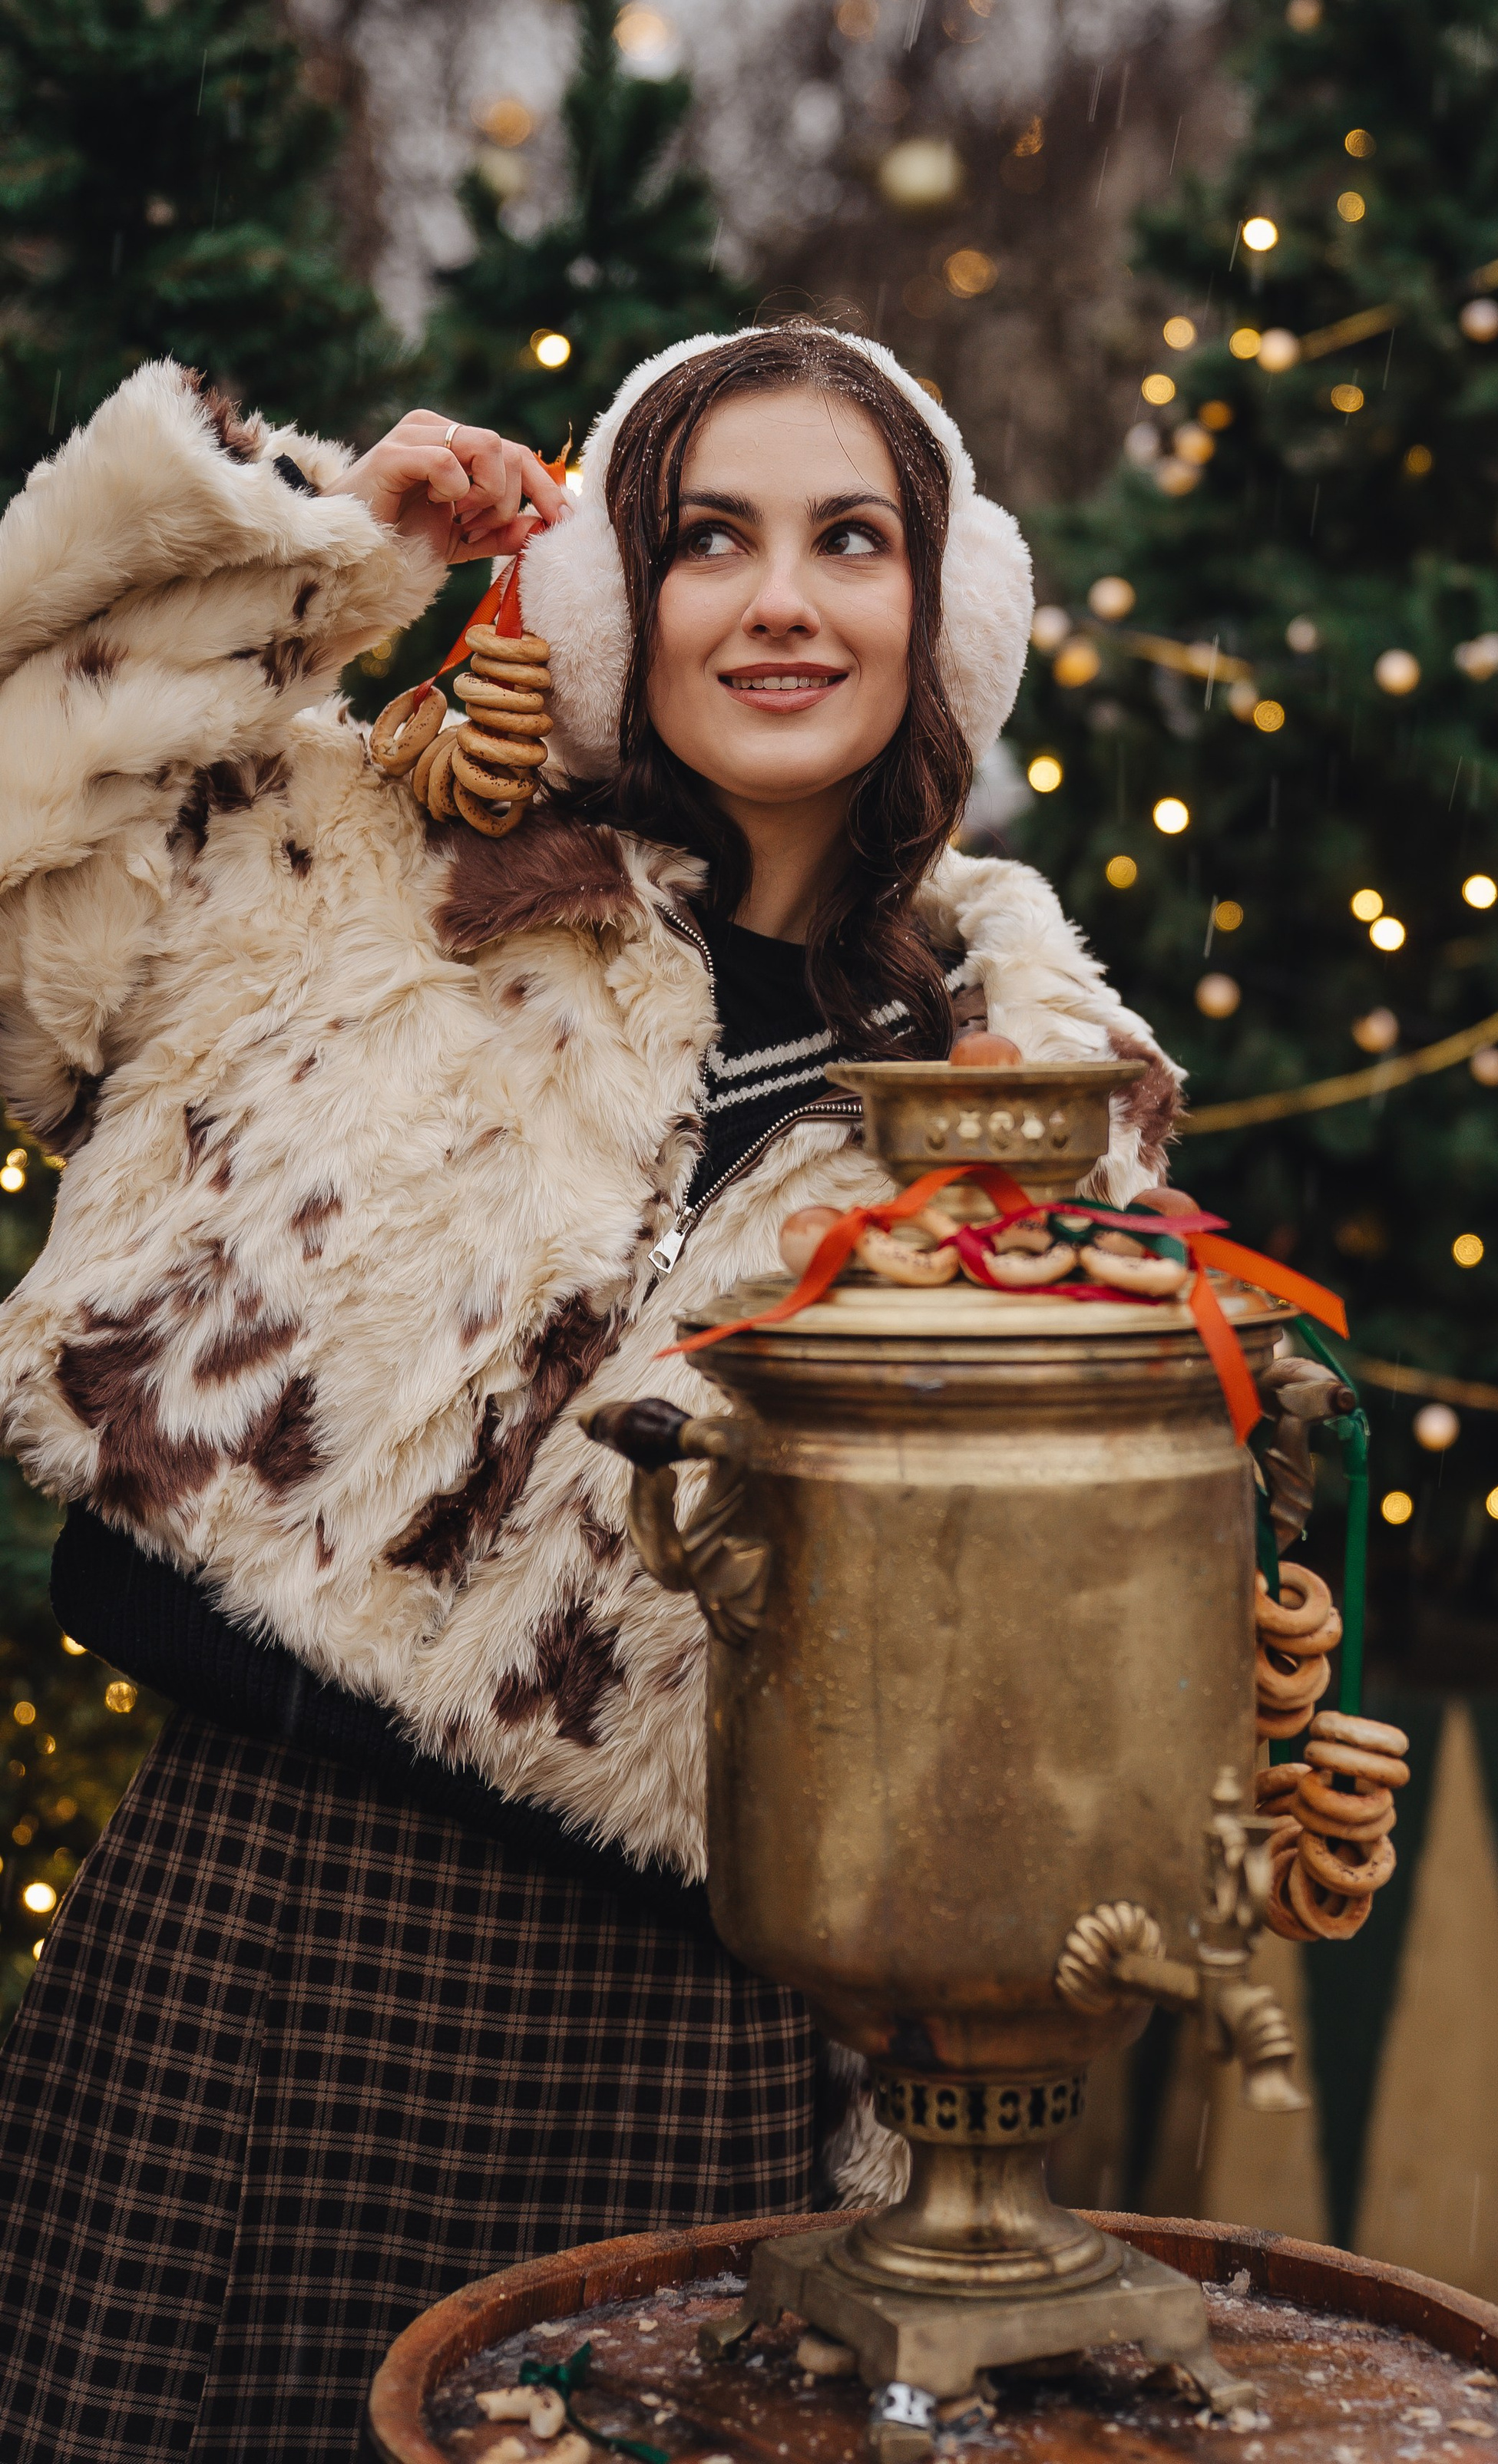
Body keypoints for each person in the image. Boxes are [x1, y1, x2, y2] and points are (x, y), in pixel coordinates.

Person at [0, 323, 1179, 2462]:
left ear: (944, 612)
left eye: (854, 540)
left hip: (691, 2038)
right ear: (619, 591)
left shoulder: (1023, 1099)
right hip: (253, 1949)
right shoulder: (349, 868)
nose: (783, 599)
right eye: (708, 537)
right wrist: (316, 556)